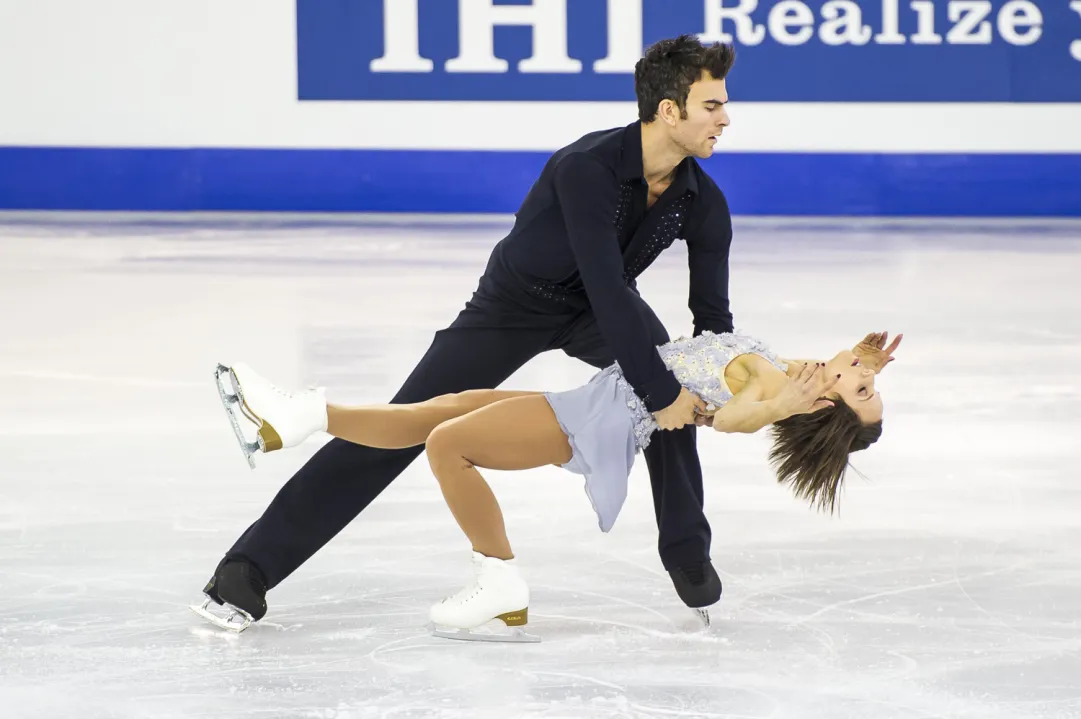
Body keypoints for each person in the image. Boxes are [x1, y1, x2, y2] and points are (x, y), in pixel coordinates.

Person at [198, 34, 740, 631]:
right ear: (670, 110)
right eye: (712, 105)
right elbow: (608, 285)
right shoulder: (586, 168)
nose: (725, 118)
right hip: (515, 303)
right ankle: (249, 566)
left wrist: (714, 383)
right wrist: (663, 393)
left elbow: (712, 325)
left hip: (596, 308)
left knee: (672, 379)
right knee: (409, 421)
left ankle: (688, 554)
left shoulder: (702, 201)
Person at [201, 330, 901, 639]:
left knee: (448, 442)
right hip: (597, 400)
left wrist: (779, 408)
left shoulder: (772, 389)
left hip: (597, 420)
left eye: (861, 387)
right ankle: (293, 419)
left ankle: (498, 577)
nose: (865, 374)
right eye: (871, 381)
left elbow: (735, 421)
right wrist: (859, 358)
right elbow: (818, 370)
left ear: (824, 405)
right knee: (438, 413)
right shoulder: (792, 368)